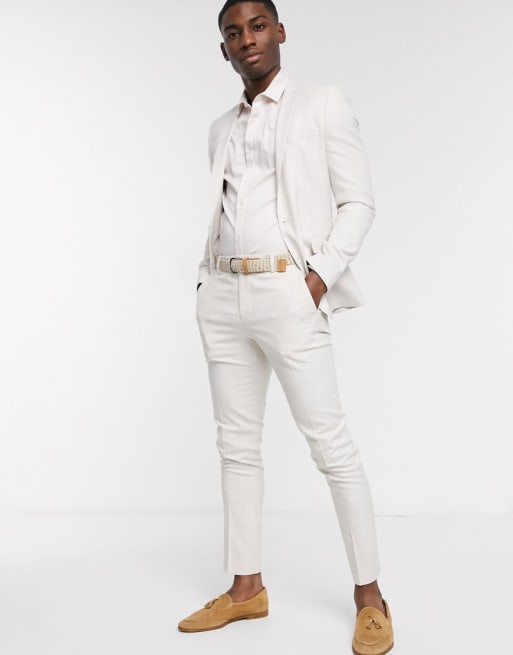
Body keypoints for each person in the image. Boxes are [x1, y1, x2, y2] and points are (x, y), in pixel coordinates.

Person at [178, 1, 394, 653]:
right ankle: (246, 587)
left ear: (278, 32)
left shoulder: (322, 104)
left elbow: (359, 202)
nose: (246, 39)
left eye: (256, 26)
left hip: (288, 291)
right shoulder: (219, 128)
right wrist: (205, 282)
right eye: (232, 32)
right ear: (223, 49)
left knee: (330, 445)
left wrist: (317, 278)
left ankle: (370, 598)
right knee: (236, 446)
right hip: (223, 294)